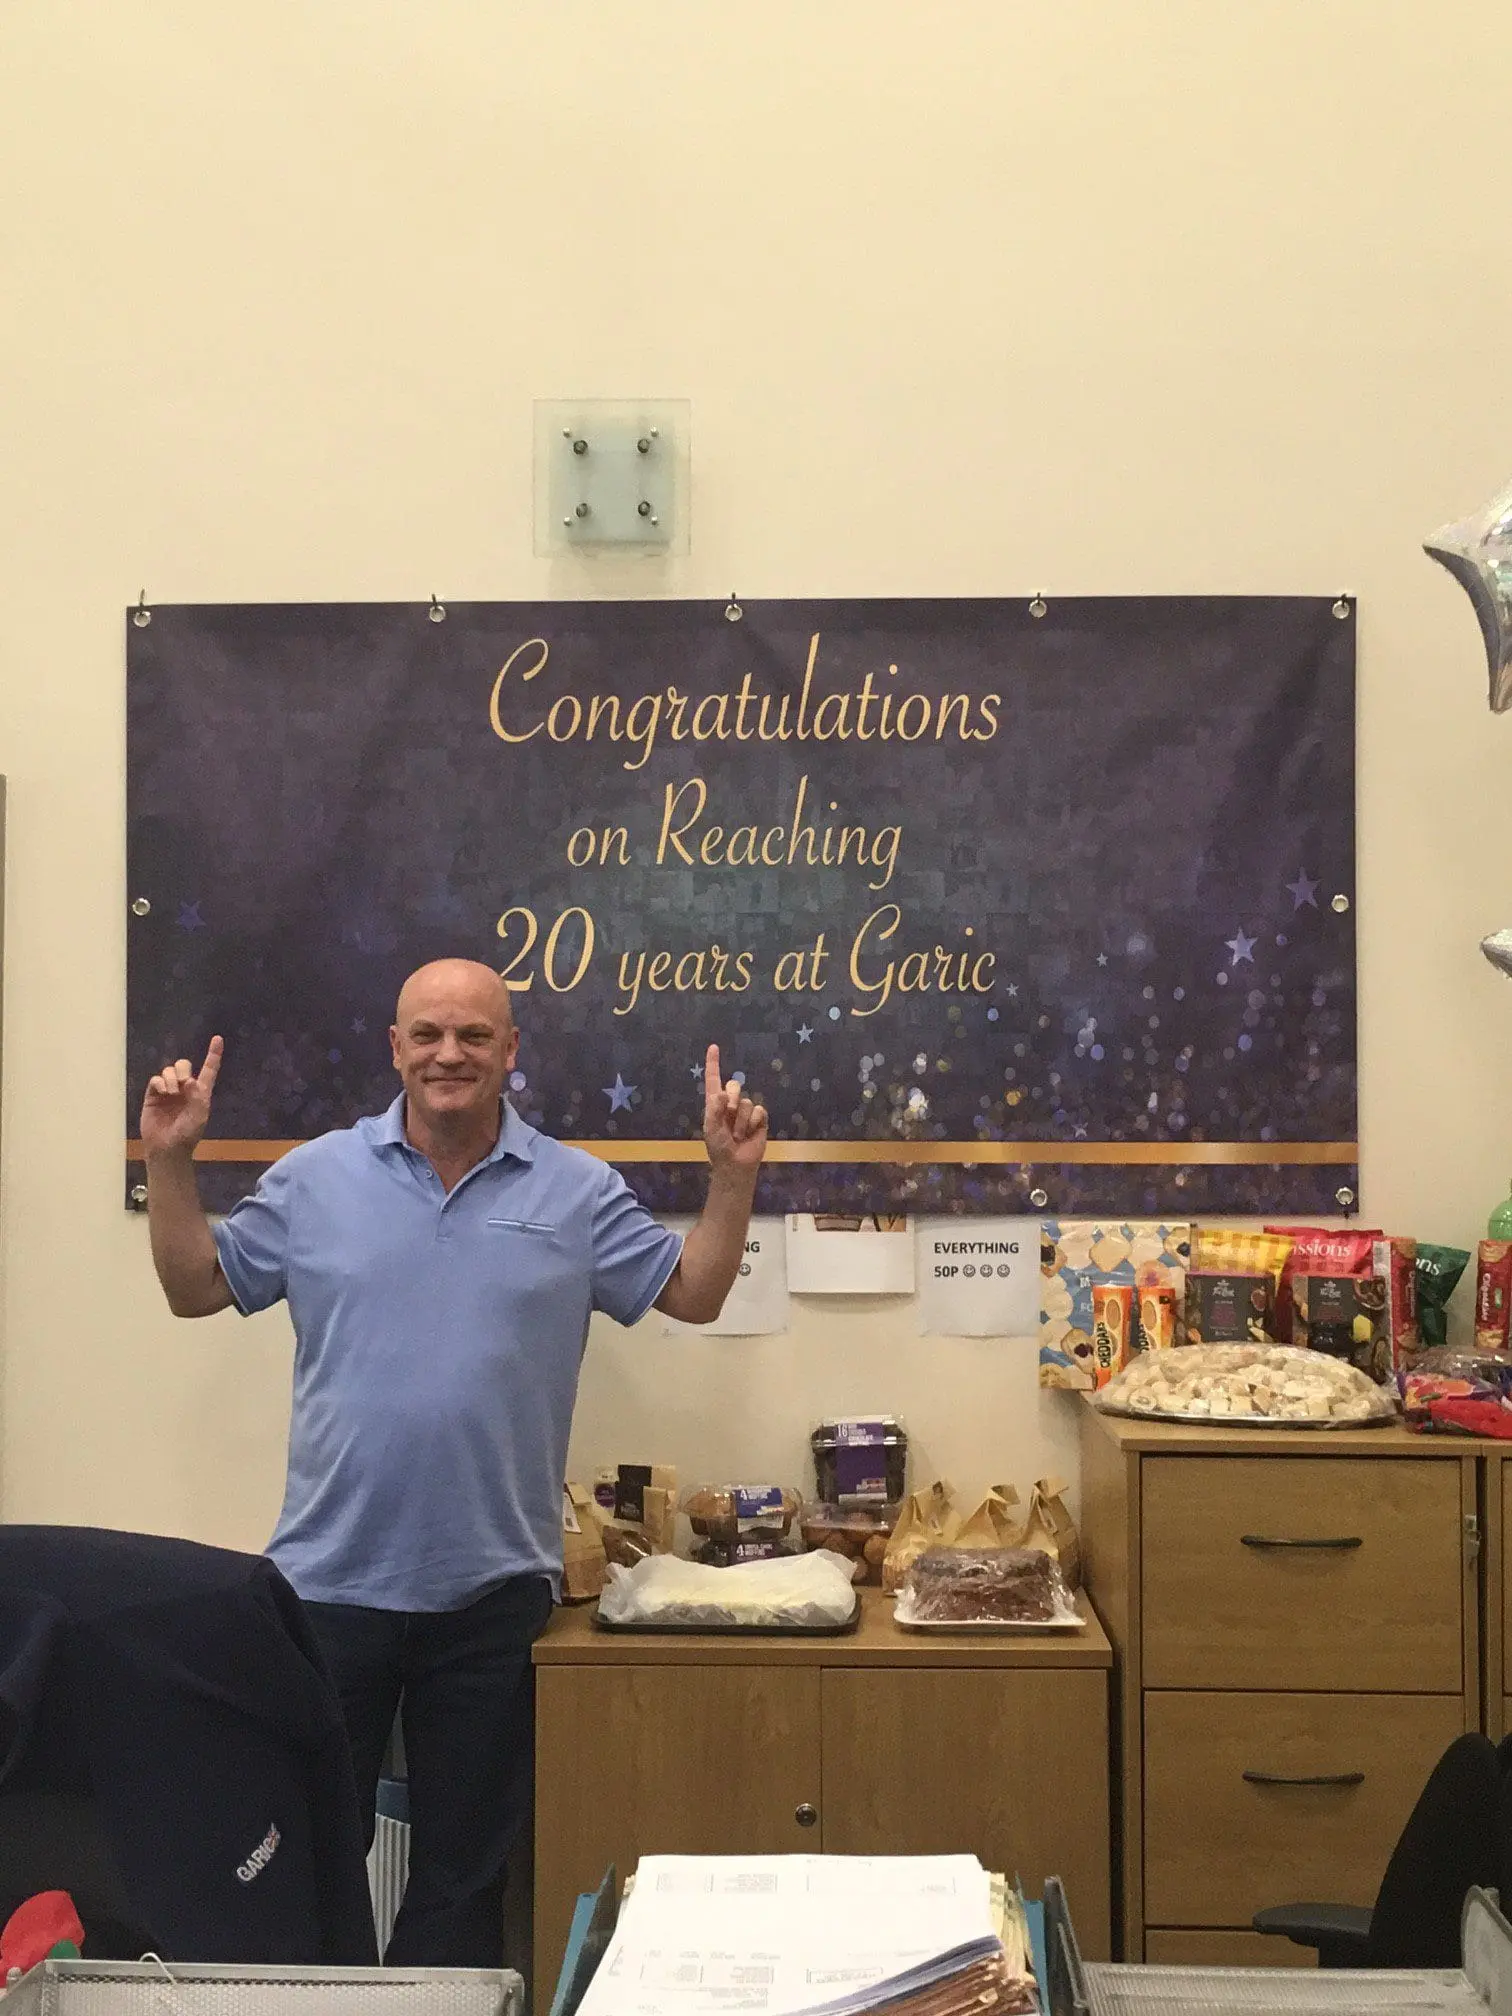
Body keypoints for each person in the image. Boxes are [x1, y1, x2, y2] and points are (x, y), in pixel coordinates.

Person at [140, 957, 767, 1967]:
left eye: (475, 1036)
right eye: (427, 1034)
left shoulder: (575, 1191)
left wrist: (732, 1179)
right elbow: (195, 1287)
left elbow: (692, 1293)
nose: (449, 1054)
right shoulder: (315, 1178)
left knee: (463, 1883)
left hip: (492, 1596)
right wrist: (169, 1163)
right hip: (326, 1592)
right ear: (395, 1049)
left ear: (510, 1051)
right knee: (307, 1874)